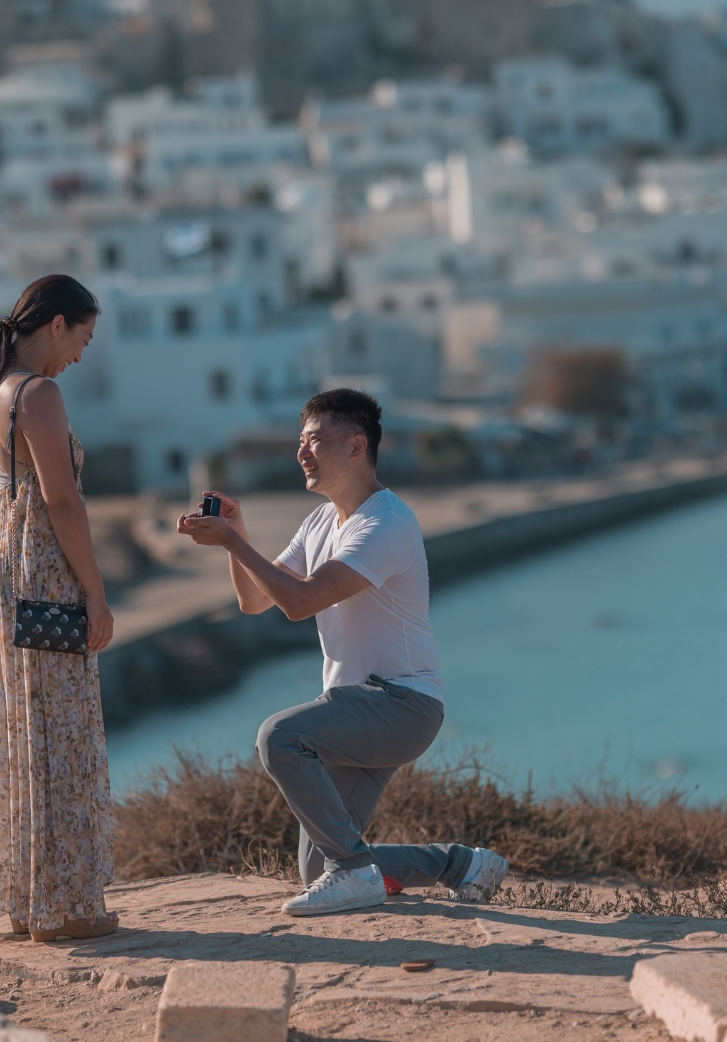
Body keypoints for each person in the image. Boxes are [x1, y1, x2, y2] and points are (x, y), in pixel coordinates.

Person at [177, 388, 509, 915]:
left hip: (401, 704)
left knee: (279, 738)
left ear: (357, 446)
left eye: (314, 441)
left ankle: (356, 872)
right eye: (300, 442)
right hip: (357, 705)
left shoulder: (386, 522)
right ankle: (461, 865)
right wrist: (237, 534)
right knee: (318, 867)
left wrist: (234, 544)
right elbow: (254, 600)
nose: (302, 453)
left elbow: (301, 602)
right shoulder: (319, 522)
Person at [0, 274, 117, 942]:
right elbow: (62, 502)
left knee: (17, 734)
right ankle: (65, 907)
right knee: (58, 736)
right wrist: (96, 592)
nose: (81, 354)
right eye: (83, 338)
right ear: (56, 325)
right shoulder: (40, 394)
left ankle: (30, 901)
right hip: (41, 574)